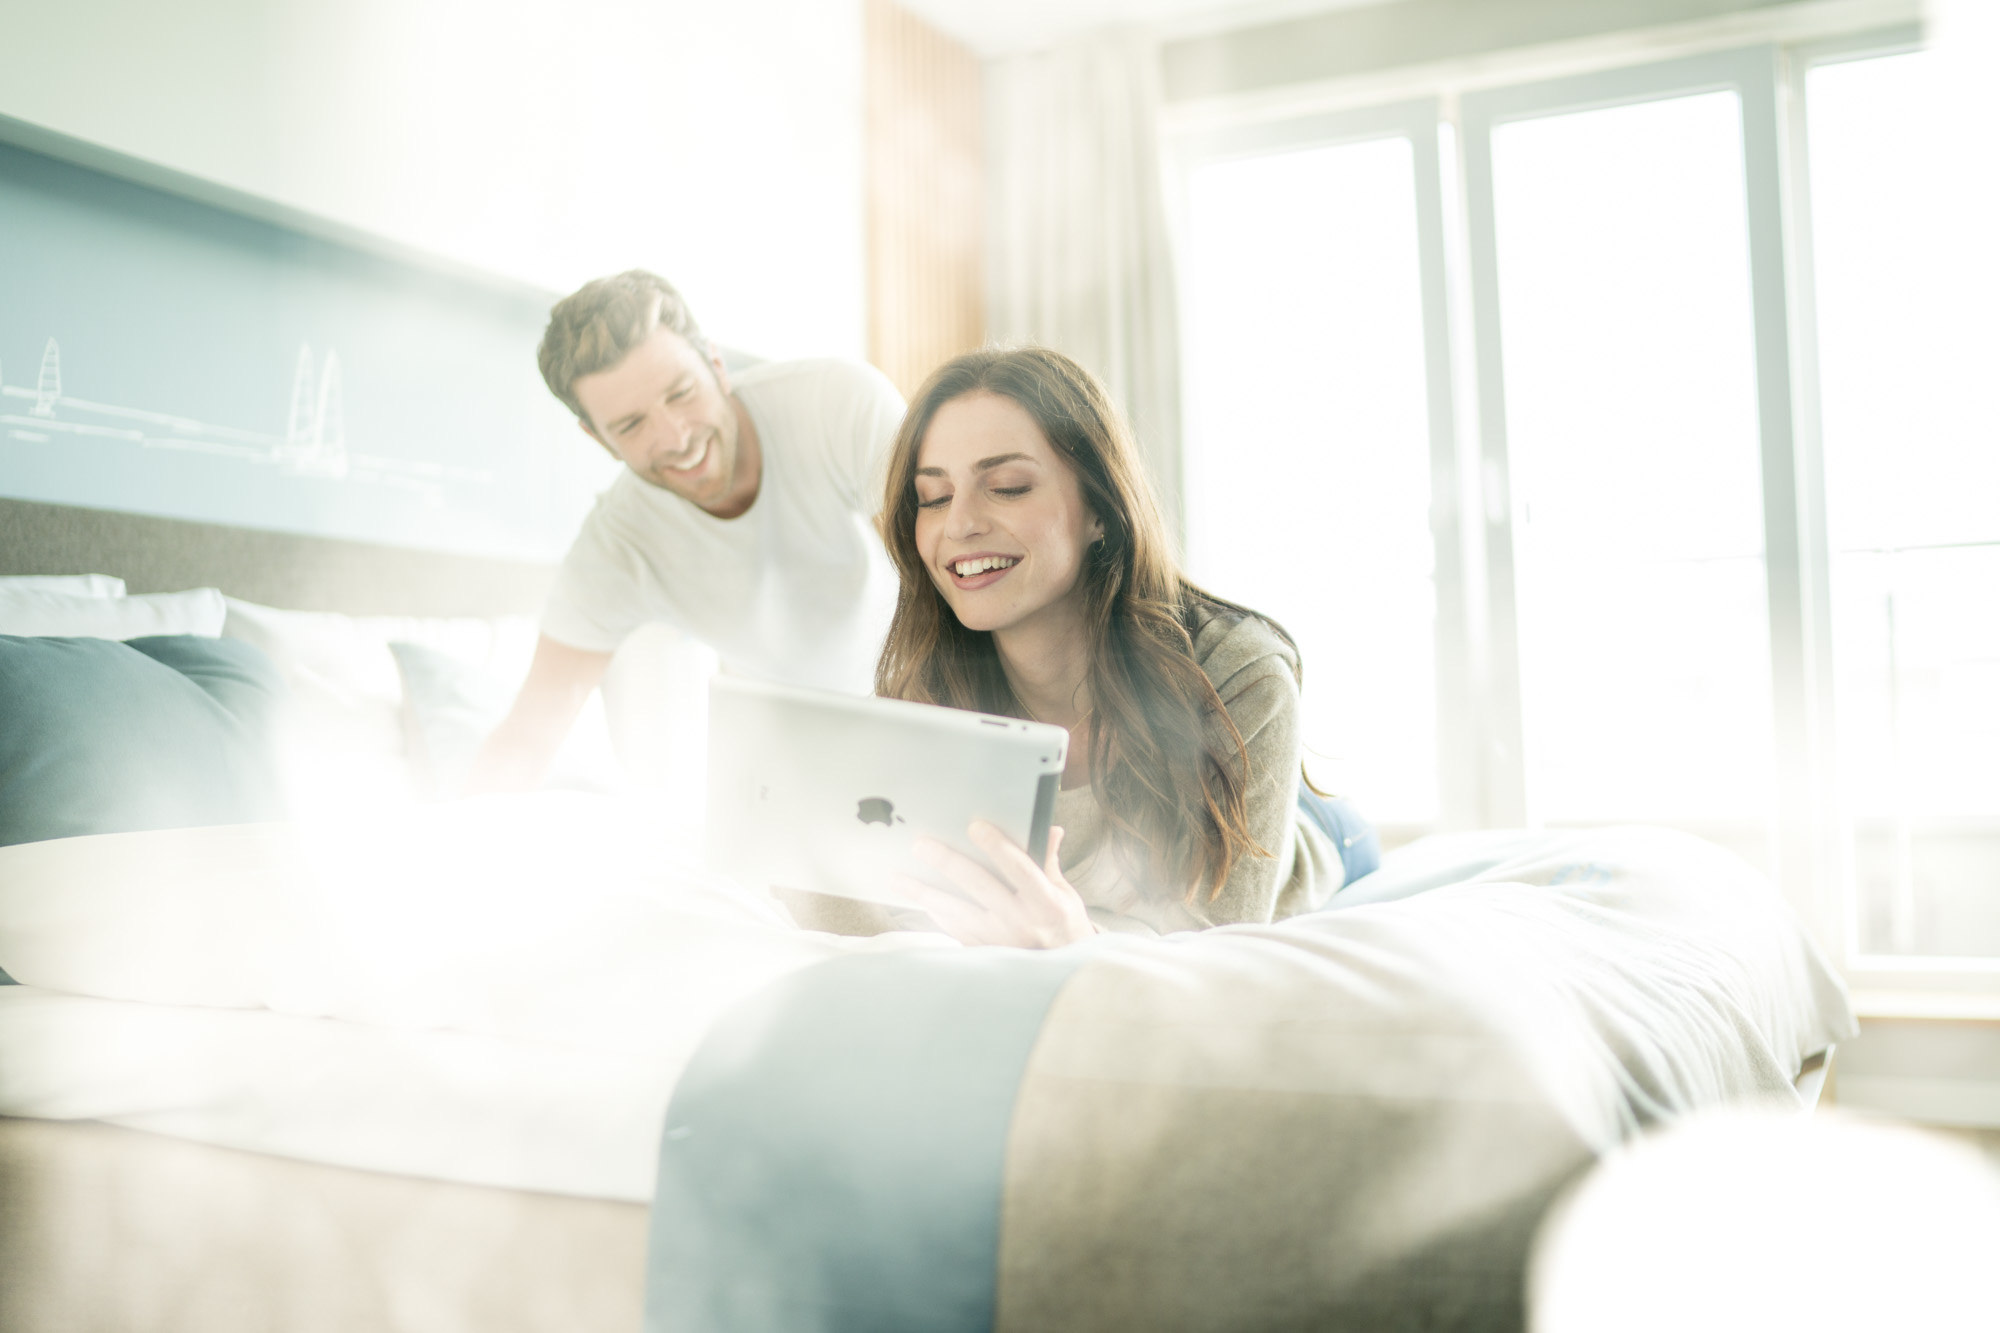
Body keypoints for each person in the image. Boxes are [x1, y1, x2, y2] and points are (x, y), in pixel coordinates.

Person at [874, 346, 1378, 945]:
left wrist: (1076, 943)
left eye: (1007, 487)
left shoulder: (1239, 671)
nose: (958, 524)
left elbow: (1217, 949)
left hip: (1313, 837)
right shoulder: (926, 697)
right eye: (933, 497)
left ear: (1100, 511)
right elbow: (880, 920)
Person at [469, 271, 905, 792]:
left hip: (920, 702)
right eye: (631, 426)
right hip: (786, 777)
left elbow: (950, 571)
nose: (676, 437)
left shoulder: (835, 402)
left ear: (716, 365)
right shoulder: (618, 547)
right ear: (598, 438)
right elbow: (525, 741)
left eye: (681, 393)